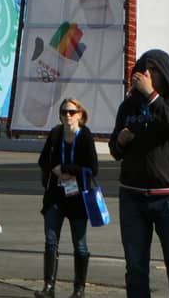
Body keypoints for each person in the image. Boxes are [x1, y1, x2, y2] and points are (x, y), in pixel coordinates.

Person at [109, 48, 169, 298]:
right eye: (142, 68)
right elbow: (114, 150)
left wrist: (152, 95)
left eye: (153, 69)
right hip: (133, 197)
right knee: (135, 268)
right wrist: (121, 140)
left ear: (164, 73)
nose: (146, 74)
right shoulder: (128, 106)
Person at [36, 97, 99, 298]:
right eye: (64, 112)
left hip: (78, 197)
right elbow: (43, 159)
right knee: (51, 240)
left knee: (79, 244)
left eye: (71, 112)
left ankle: (78, 289)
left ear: (80, 115)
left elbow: (93, 168)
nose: (67, 116)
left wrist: (68, 169)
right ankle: (48, 287)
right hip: (56, 195)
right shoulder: (55, 134)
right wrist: (55, 170)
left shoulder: (86, 136)